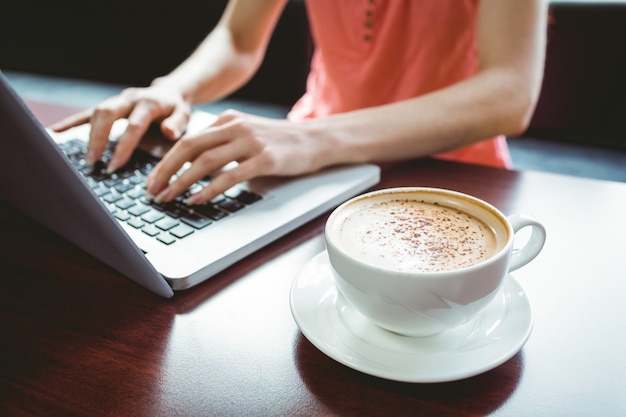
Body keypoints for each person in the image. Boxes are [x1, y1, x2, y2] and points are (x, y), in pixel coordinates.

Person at [51, 0, 548, 206]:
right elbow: (239, 38)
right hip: (304, 158)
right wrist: (173, 88)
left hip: (449, 168)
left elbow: (510, 93)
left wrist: (313, 139)